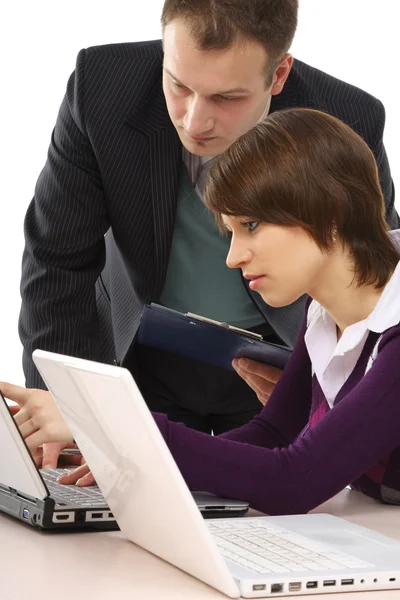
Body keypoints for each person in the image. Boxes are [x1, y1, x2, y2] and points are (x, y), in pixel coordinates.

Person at [19, 0, 398, 461]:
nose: (194, 122)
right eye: (178, 85)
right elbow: (57, 258)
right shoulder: (100, 85)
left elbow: (367, 278)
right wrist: (70, 405)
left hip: (272, 369)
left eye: (227, 98)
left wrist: (322, 383)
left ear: (278, 75)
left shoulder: (346, 119)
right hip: (133, 357)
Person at [5, 108, 400, 512]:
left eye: (250, 226)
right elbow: (273, 432)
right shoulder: (322, 312)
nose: (232, 258)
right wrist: (142, 464)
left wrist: (100, 422)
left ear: (329, 213)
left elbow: (295, 480)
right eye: (231, 233)